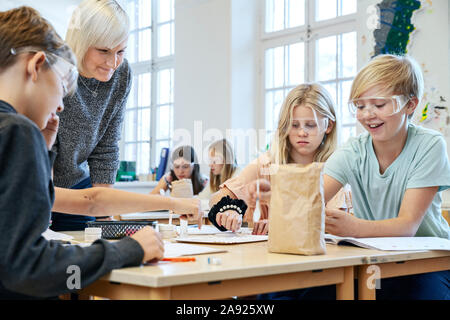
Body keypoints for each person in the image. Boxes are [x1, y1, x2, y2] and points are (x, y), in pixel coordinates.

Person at [0, 6, 200, 299]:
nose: (60, 105)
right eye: (62, 85)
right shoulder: (18, 132)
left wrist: (40, 153)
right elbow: (30, 270)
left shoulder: (16, 133)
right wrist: (128, 250)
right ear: (36, 65)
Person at [253, 55, 450, 300]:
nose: (367, 114)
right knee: (288, 294)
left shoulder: (429, 145)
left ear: (410, 105)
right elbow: (310, 200)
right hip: (376, 260)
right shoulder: (353, 150)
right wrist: (278, 200)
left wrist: (354, 228)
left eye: (379, 105)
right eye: (359, 106)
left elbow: (407, 226)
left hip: (429, 262)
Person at [209, 83, 345, 234]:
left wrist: (280, 224)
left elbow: (336, 222)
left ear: (329, 126)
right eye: (294, 125)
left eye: (310, 125)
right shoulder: (266, 165)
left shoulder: (336, 168)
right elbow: (216, 199)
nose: (302, 132)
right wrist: (230, 210)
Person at [51, 0, 133, 231]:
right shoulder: (55, 68)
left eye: (120, 51)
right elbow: (42, 145)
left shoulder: (122, 74)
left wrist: (103, 210)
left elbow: (107, 145)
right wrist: (41, 205)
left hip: (81, 186)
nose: (113, 62)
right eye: (104, 51)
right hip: (40, 182)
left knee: (84, 252)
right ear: (82, 41)